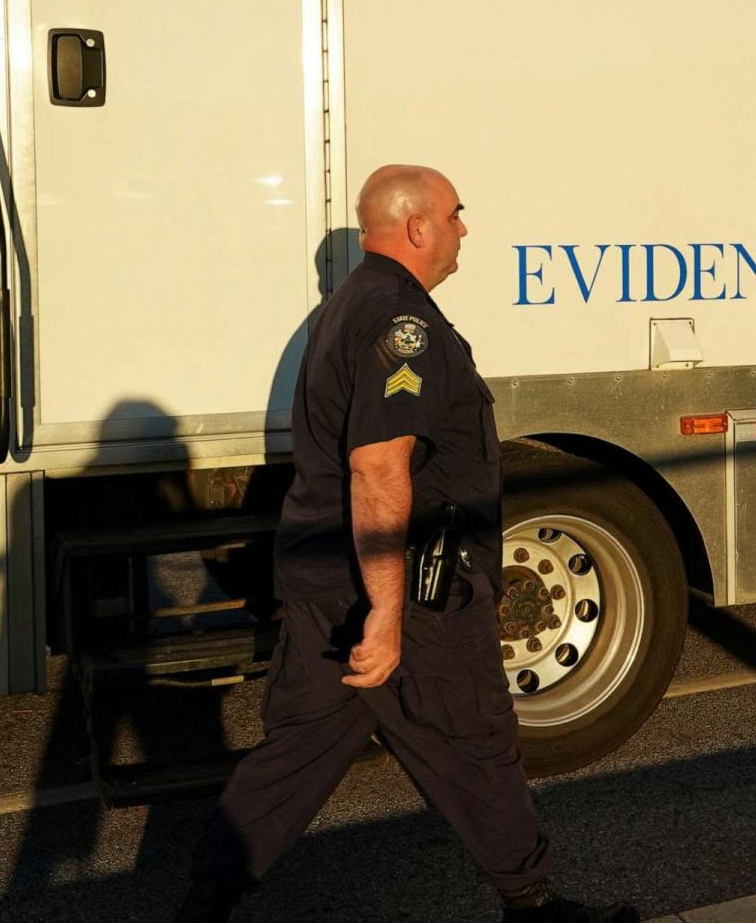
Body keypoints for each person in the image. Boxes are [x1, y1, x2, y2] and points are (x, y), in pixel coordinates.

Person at [175, 165, 638, 923]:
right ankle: (535, 906)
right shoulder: (401, 322)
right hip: (406, 591)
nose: (464, 229)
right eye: (456, 215)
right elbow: (380, 470)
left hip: (330, 579)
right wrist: (386, 618)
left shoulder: (352, 304)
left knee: (296, 759)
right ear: (418, 228)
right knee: (474, 742)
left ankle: (202, 907)